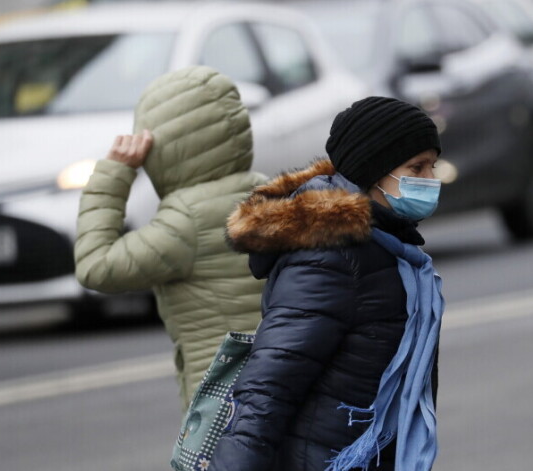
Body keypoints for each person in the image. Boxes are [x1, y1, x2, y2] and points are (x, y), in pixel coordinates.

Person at [209, 96, 445, 471]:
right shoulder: (330, 258)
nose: (431, 181)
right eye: (416, 168)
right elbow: (269, 386)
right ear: (373, 171)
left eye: (433, 166)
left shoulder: (389, 249)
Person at [73, 66, 266, 411]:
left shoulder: (185, 221)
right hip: (278, 383)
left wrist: (115, 173)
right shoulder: (265, 193)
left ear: (162, 147)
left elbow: (95, 266)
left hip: (224, 400)